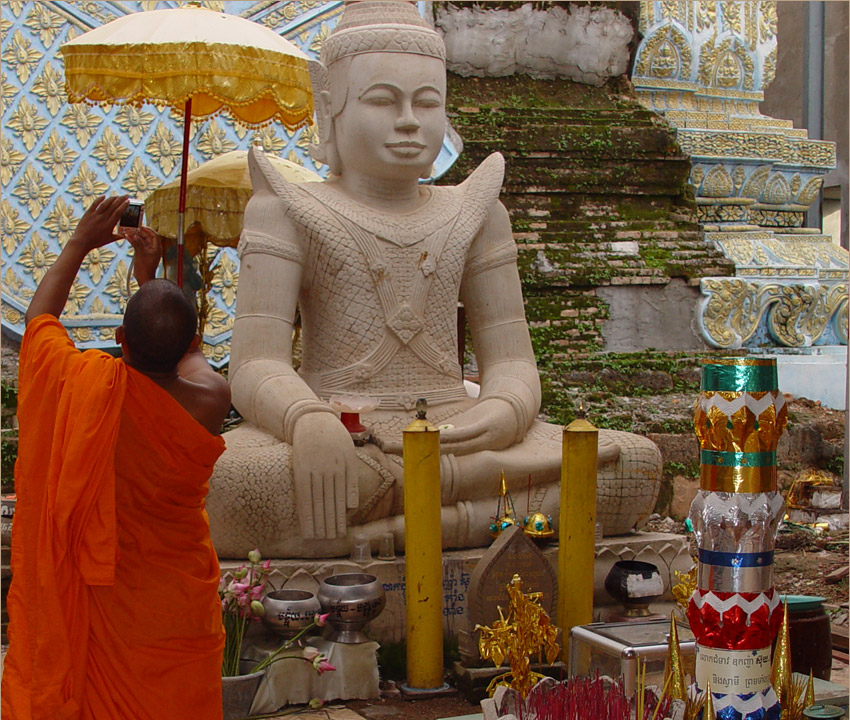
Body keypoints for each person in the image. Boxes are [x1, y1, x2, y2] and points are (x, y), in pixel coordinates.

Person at [206, 0, 661, 559]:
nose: (409, 121)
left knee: (634, 462)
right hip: (351, 435)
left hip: (464, 433)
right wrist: (306, 420)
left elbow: (513, 362)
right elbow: (255, 363)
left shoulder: (476, 211)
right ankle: (483, 521)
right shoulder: (287, 209)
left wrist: (505, 409)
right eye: (382, 100)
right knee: (227, 483)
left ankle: (390, 535)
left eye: (428, 102)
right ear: (328, 112)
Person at [1, 196, 232, 720]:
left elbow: (40, 329)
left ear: (122, 342)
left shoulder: (88, 387)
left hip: (111, 604)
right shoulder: (209, 397)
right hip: (179, 603)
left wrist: (77, 243)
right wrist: (155, 273)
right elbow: (173, 349)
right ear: (192, 341)